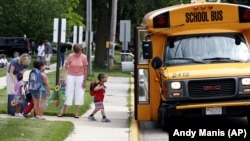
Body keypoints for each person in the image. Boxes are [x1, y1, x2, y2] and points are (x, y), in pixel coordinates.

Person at [58, 44, 88, 118]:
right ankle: (63, 111)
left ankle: (76, 112)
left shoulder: (84, 57)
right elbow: (65, 67)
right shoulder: (70, 56)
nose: (80, 53)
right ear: (75, 51)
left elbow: (85, 69)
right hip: (71, 76)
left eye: (81, 51)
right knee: (68, 92)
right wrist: (62, 76)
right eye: (78, 51)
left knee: (79, 93)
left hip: (80, 76)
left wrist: (84, 80)